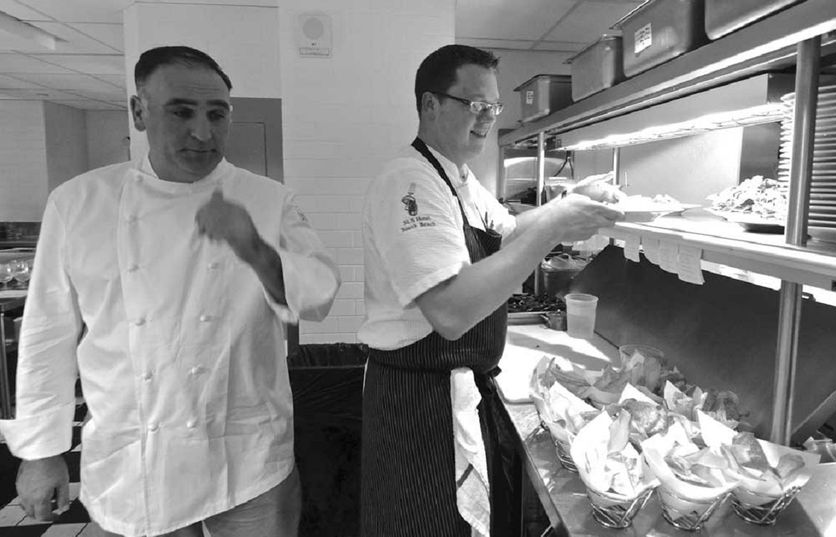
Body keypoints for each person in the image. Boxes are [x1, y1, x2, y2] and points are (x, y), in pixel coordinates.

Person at [0, 46, 340, 537]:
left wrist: (254, 249)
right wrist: (40, 453)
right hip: (135, 453)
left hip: (246, 454)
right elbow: (47, 332)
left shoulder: (267, 199)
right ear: (139, 112)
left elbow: (321, 292)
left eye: (217, 114)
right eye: (181, 112)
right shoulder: (78, 203)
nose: (202, 132)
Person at [358, 44, 623, 537]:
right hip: (417, 401)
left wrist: (569, 203)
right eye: (475, 105)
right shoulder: (409, 182)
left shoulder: (458, 179)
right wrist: (557, 225)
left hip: (451, 388)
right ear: (430, 104)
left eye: (493, 107)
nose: (486, 119)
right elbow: (450, 310)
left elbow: (511, 232)